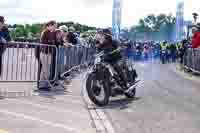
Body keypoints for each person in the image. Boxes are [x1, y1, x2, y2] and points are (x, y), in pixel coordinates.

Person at [39, 20, 57, 90]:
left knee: (46, 70)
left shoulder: (51, 32)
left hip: (48, 53)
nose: (55, 28)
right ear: (50, 25)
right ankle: (43, 84)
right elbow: (44, 43)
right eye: (54, 26)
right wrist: (51, 43)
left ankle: (44, 84)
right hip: (44, 53)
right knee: (45, 70)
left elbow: (53, 42)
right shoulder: (45, 32)